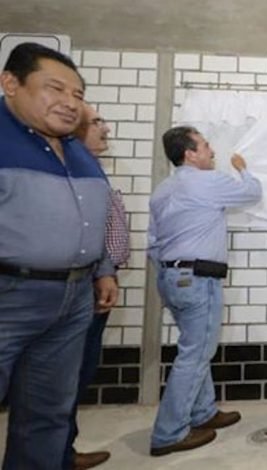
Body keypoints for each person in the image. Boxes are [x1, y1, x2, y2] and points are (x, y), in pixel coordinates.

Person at [0, 43, 118, 470]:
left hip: (73, 298)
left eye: (78, 95)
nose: (70, 103)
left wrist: (103, 270)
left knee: (48, 413)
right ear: (10, 83)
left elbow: (93, 218)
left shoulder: (78, 152)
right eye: (56, 88)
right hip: (11, 293)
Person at [147, 125, 262, 456]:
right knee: (195, 354)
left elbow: (153, 242)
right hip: (198, 278)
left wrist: (173, 273)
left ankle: (203, 412)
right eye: (206, 146)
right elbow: (252, 192)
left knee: (194, 347)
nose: (212, 151)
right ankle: (169, 433)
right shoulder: (205, 181)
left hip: (171, 278)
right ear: (190, 154)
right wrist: (242, 168)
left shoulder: (162, 190)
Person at [63, 103, 131, 470]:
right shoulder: (71, 171)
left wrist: (106, 272)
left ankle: (63, 451)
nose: (106, 129)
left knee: (79, 373)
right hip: (78, 286)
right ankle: (58, 454)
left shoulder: (91, 169)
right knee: (67, 376)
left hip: (96, 280)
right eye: (97, 122)